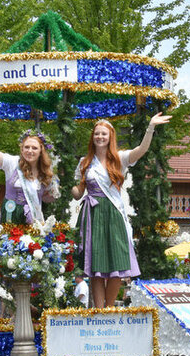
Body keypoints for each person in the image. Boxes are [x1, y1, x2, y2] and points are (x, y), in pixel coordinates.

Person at [72, 113, 171, 309]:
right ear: (93, 137)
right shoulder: (85, 162)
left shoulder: (120, 158)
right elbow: (78, 192)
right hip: (92, 214)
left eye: (104, 134)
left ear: (110, 137)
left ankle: (109, 308)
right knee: (96, 267)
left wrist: (150, 126)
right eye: (97, 134)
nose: (100, 137)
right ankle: (99, 310)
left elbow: (142, 149)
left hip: (113, 214)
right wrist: (67, 187)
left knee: (117, 264)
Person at [0, 116, 59, 224]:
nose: (30, 151)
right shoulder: (12, 163)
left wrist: (55, 192)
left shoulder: (45, 172)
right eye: (26, 147)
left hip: (32, 219)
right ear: (22, 149)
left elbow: (47, 199)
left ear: (41, 151)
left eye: (34, 148)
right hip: (10, 216)